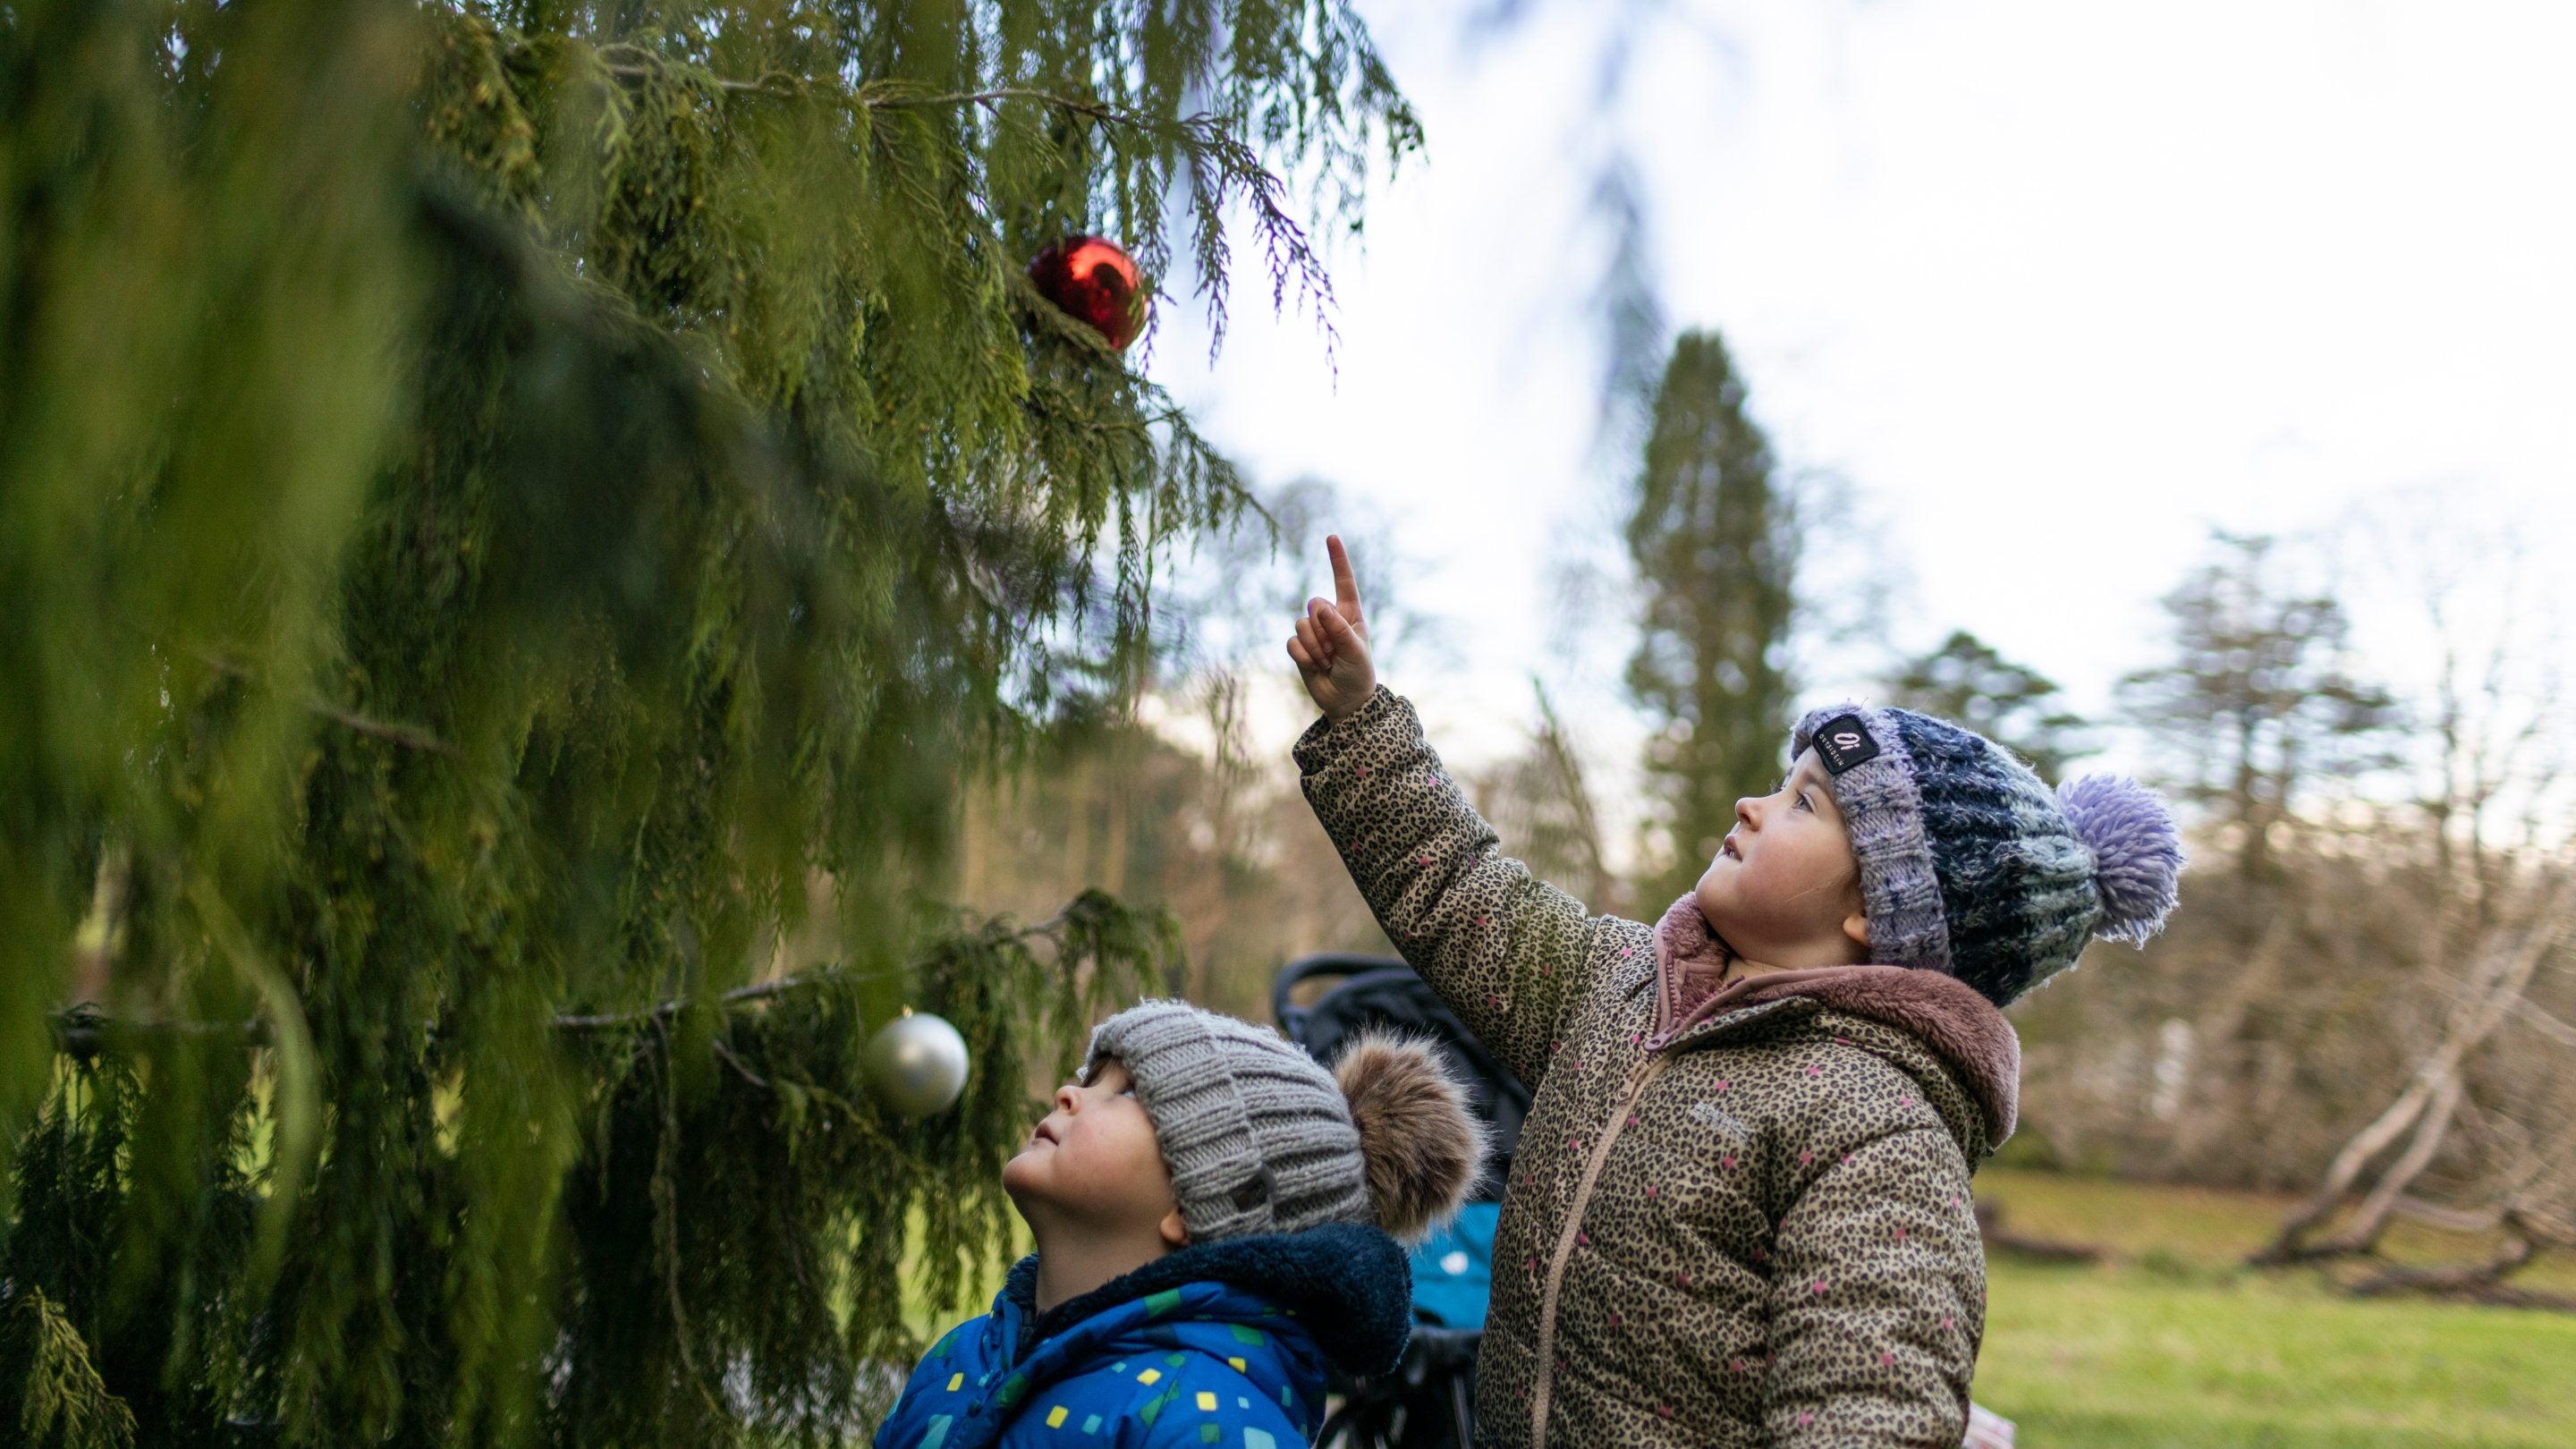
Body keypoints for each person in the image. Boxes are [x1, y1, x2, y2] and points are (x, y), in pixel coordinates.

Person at [1285, 537, 2182, 1448]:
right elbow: (1466, 895)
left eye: (1803, 803)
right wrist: (1363, 719)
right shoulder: (1621, 989)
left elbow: (1868, 1408)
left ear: (1881, 905)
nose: (1753, 806)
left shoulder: (1875, 1127)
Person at [873, 1000, 1488, 1449]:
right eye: (1090, 1078)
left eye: (1127, 1093)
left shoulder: (1207, 1422)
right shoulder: (961, 1357)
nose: (1068, 1093)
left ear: (1199, 1203)